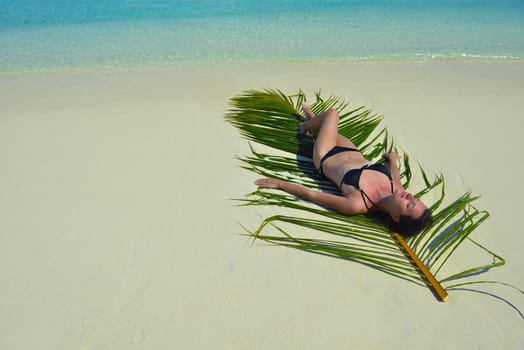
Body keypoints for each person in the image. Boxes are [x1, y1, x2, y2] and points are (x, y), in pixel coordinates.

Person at [255, 104, 432, 237]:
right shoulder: (398, 190)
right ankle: (311, 122)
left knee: (332, 115)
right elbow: (394, 171)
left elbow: (313, 195)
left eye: (409, 205)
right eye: (415, 198)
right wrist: (392, 159)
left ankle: (305, 126)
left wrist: (279, 183)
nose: (410, 196)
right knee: (324, 127)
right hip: (351, 150)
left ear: (395, 216)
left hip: (325, 155)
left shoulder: (358, 203)